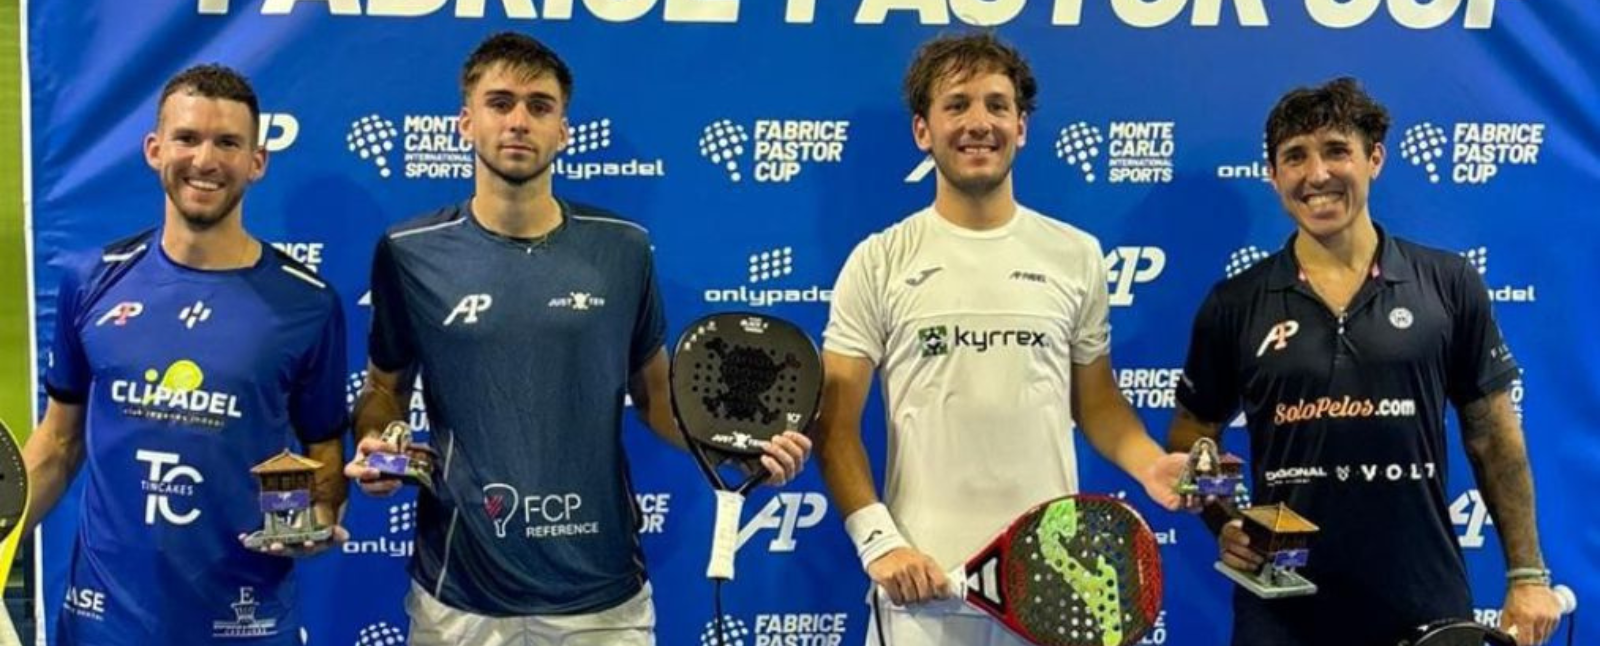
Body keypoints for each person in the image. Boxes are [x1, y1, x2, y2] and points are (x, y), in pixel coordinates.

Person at [342, 32, 810, 646]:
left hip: (600, 595)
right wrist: (381, 443)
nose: (518, 121)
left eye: (539, 106)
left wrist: (741, 451)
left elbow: (658, 399)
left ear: (563, 131)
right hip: (458, 592)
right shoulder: (408, 252)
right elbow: (383, 388)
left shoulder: (623, 248)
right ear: (466, 122)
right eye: (499, 103)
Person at [814, 33, 1188, 646]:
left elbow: (1096, 403)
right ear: (922, 130)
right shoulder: (879, 261)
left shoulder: (1076, 256)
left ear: (1021, 127)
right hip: (921, 593)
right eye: (956, 105)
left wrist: (1150, 464)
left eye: (996, 105)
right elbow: (834, 422)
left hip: (1053, 592)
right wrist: (879, 542)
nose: (978, 123)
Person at [1167, 77, 1564, 646]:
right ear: (1272, 175)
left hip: (1422, 599)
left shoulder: (1448, 282)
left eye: (1336, 150)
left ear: (1374, 158)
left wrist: (1526, 575)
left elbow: (1493, 435)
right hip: (1281, 609)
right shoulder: (1234, 303)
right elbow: (1191, 431)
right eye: (1295, 157)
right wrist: (1225, 521)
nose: (1317, 174)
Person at [24, 64, 349, 645]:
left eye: (228, 143)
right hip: (104, 623)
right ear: (155, 150)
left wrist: (319, 517)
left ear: (257, 161)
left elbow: (323, 448)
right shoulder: (91, 280)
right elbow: (57, 444)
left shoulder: (308, 303)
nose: (205, 160)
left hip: (246, 622)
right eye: (187, 138)